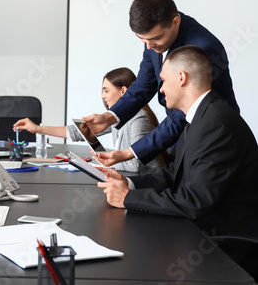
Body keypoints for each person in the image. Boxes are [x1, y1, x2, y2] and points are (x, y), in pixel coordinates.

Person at [97, 45, 258, 240]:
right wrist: (129, 184)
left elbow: (195, 201)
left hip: (224, 240)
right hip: (202, 227)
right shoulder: (200, 116)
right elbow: (175, 175)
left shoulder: (217, 123)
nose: (161, 89)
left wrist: (128, 198)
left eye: (163, 80)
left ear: (181, 78)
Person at [84, 0, 239, 168]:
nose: (149, 46)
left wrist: (129, 153)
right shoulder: (152, 41)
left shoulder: (204, 49)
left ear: (175, 22)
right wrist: (110, 117)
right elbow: (144, 85)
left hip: (214, 139)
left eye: (156, 38)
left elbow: (180, 116)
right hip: (181, 136)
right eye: (142, 39)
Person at [14, 67, 166, 172]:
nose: (102, 96)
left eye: (106, 90)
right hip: (130, 178)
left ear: (123, 91)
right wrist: (36, 128)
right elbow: (75, 132)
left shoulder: (139, 117)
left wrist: (105, 164)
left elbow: (135, 165)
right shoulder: (117, 117)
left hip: (147, 185)